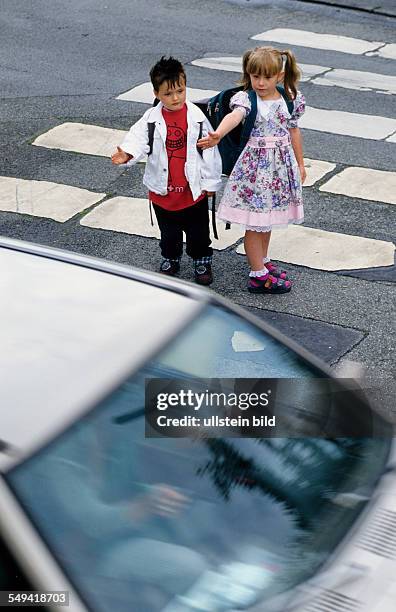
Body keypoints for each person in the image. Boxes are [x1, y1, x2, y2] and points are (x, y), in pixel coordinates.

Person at [198, 47, 306, 294]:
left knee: (266, 221)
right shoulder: (246, 99)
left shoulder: (289, 99)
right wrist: (218, 134)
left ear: (279, 75)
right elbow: (235, 116)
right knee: (254, 223)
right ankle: (257, 275)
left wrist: (300, 164)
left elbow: (294, 131)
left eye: (266, 77)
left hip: (279, 169)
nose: (260, 82)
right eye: (255, 76)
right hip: (255, 171)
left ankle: (263, 261)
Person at [111, 56, 222, 285]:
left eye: (180, 91)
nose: (175, 98)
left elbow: (210, 151)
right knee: (169, 234)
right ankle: (171, 257)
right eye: (168, 94)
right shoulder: (151, 119)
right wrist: (128, 153)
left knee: (198, 234)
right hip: (163, 193)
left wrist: (210, 183)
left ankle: (201, 259)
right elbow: (138, 138)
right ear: (156, 94)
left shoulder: (197, 118)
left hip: (193, 191)